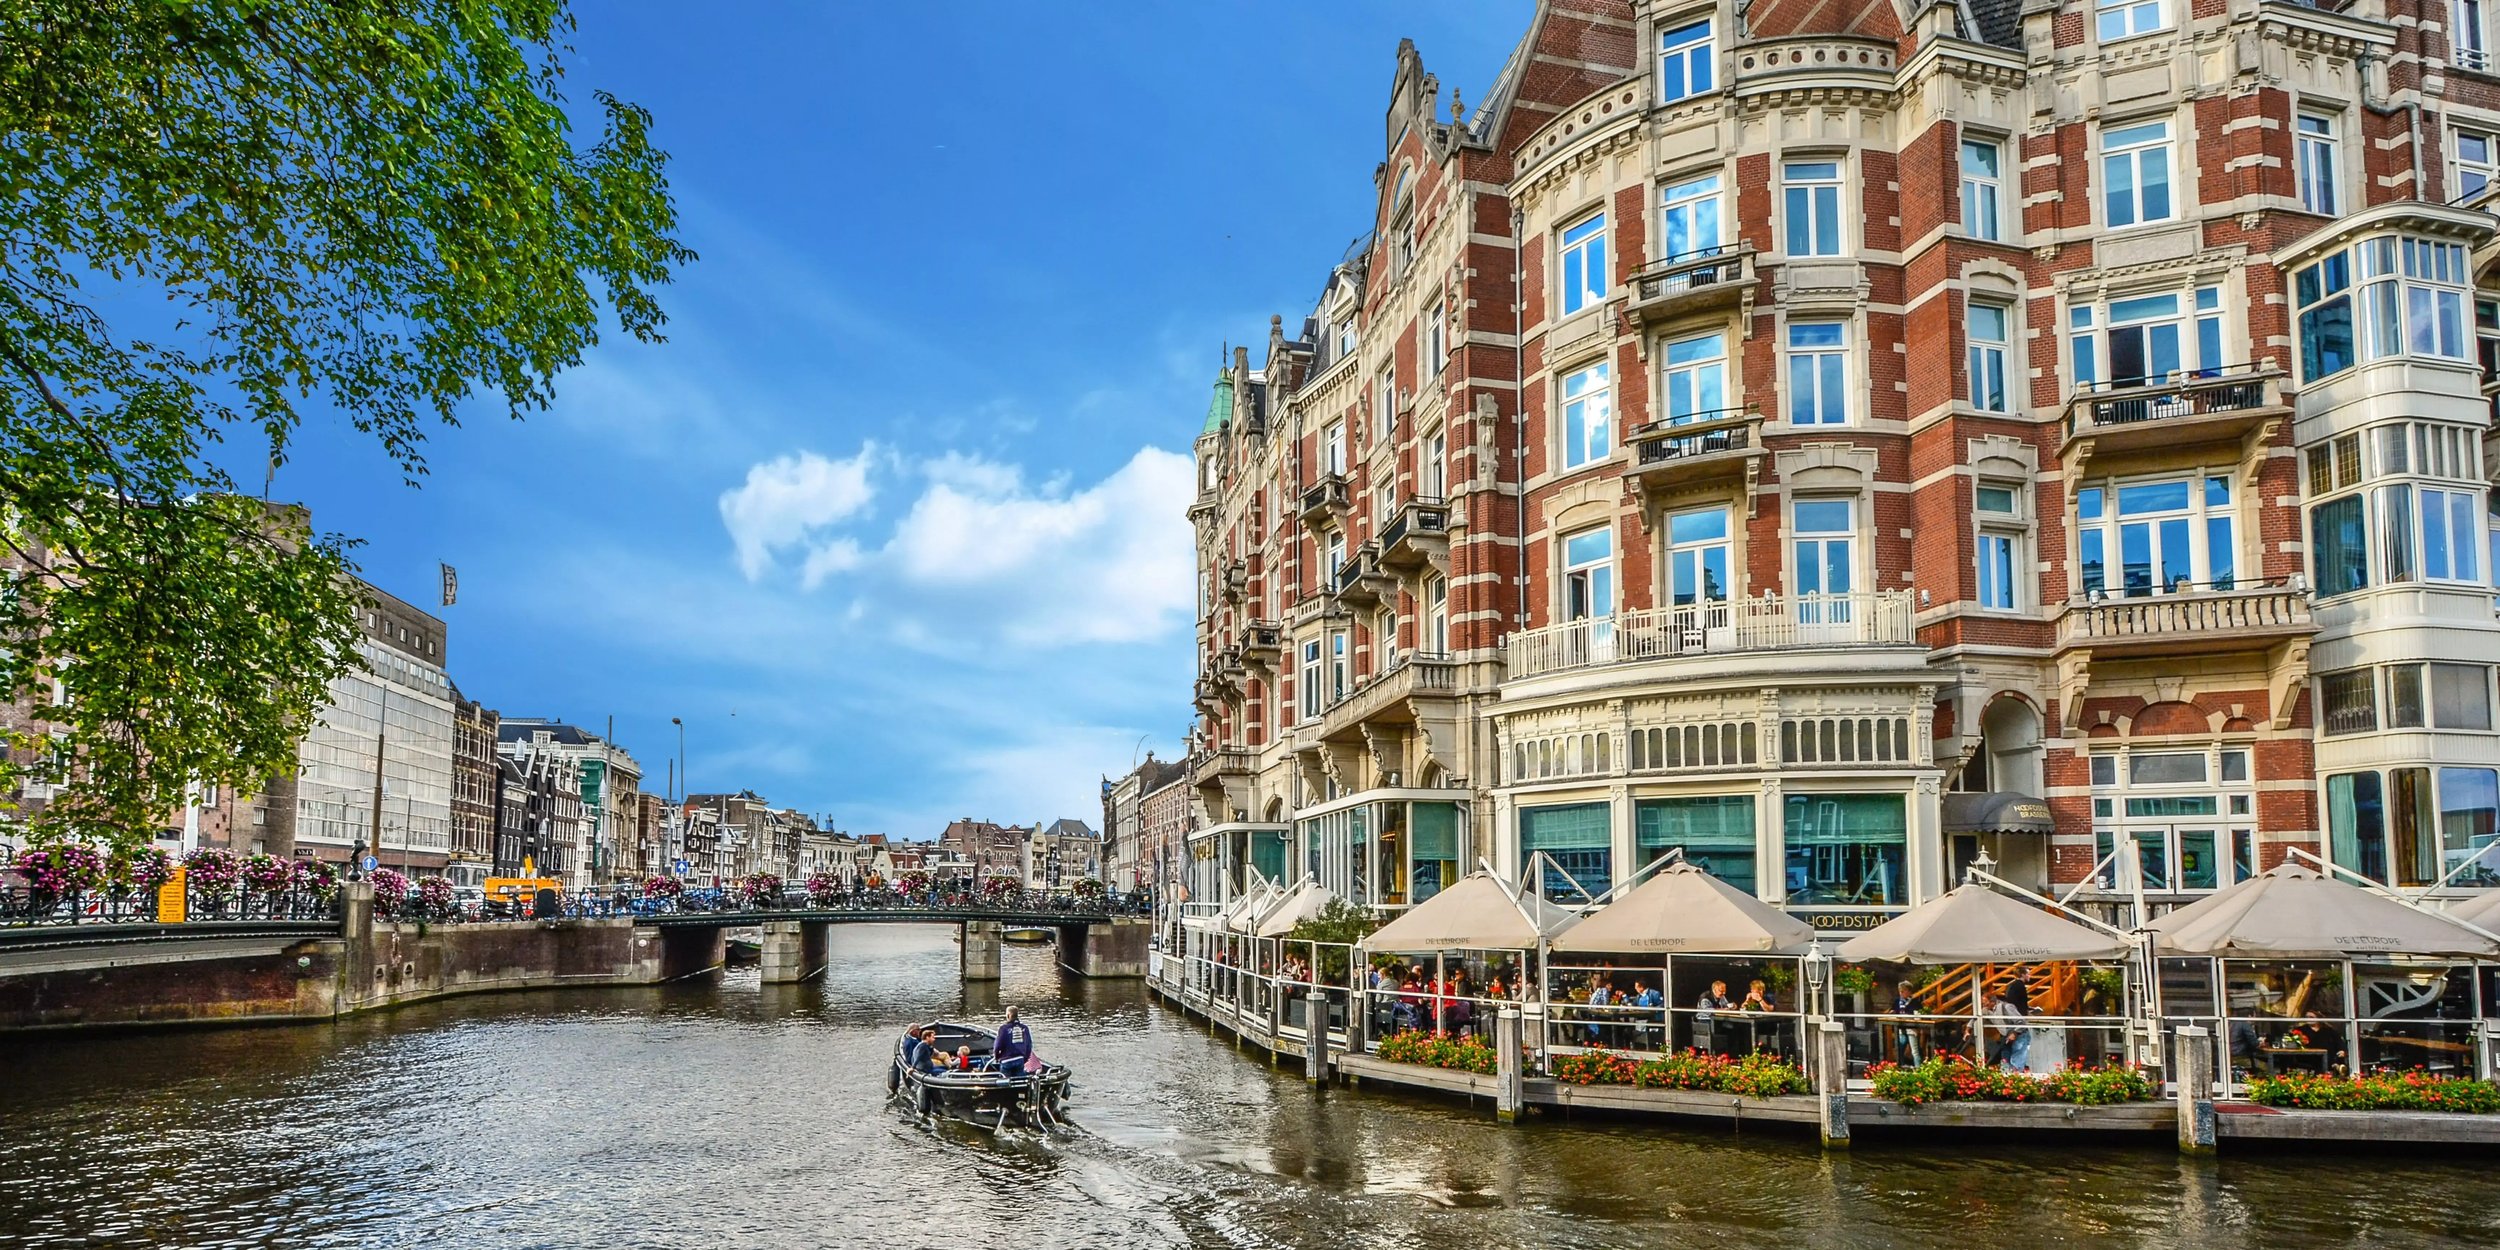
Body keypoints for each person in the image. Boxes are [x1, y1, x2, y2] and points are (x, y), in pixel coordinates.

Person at [1694, 980, 1734, 1055]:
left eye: (1724, 991)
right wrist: (1722, 1010)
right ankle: (1716, 1053)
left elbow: (1726, 1005)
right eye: (1721, 991)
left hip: (1718, 1020)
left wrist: (1732, 1007)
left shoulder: (1721, 996)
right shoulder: (1705, 997)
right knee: (1725, 1028)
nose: (1723, 993)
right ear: (1714, 989)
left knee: (1732, 1027)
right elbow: (1708, 1011)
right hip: (1704, 1021)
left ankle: (1731, 1053)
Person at [993, 1005, 1034, 1072]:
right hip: (1020, 1059)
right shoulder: (1024, 1028)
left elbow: (997, 1046)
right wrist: (1025, 1058)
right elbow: (1029, 1045)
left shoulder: (1004, 1029)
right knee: (1020, 1080)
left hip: (1006, 1060)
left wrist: (997, 1057)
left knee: (1006, 1080)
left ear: (1008, 1015)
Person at [1892, 980, 1923, 1065]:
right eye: (1900, 990)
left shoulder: (1915, 1002)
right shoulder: (1897, 1001)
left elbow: (1918, 1014)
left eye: (1903, 990)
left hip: (1911, 1029)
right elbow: (1894, 1011)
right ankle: (1901, 1066)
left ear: (1909, 991)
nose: (1901, 992)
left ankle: (1918, 1069)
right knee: (1900, 1049)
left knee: (1914, 1051)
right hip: (1900, 1028)